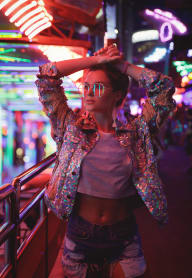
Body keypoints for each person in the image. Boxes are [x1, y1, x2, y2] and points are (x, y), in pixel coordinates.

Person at [35, 44, 175, 278]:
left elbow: (164, 89)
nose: (88, 93)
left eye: (98, 87)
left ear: (117, 94)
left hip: (124, 237)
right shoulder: (70, 128)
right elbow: (47, 75)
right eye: (86, 86)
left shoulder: (137, 133)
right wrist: (94, 61)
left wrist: (122, 66)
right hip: (80, 237)